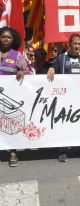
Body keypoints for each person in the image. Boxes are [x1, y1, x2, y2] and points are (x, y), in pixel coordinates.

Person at [47, 34, 80, 162]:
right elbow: (53, 68)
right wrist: (51, 68)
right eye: (75, 44)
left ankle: (78, 149)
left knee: (79, 124)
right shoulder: (62, 58)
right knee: (64, 124)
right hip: (65, 98)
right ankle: (63, 150)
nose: (77, 46)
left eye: (79, 44)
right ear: (69, 44)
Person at [0, 26, 31, 167]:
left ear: (13, 40)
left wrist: (23, 73)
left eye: (9, 37)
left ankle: (12, 152)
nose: (6, 39)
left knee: (8, 125)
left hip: (8, 98)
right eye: (3, 37)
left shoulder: (17, 55)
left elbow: (29, 72)